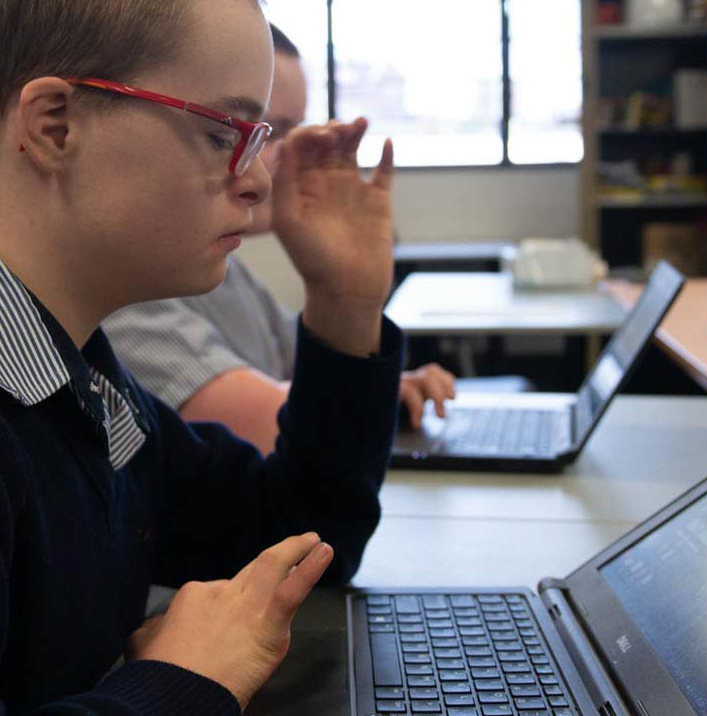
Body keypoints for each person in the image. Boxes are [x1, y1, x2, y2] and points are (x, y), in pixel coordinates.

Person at [0, 0, 402, 712]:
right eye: (224, 133)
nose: (258, 181)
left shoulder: (81, 382)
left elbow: (304, 538)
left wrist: (344, 306)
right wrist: (181, 684)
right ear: (55, 124)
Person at [103, 25, 456, 455]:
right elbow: (294, 436)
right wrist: (372, 395)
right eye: (229, 133)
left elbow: (320, 386)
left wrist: (349, 308)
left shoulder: (227, 270)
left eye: (281, 133)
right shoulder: (124, 290)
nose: (274, 165)